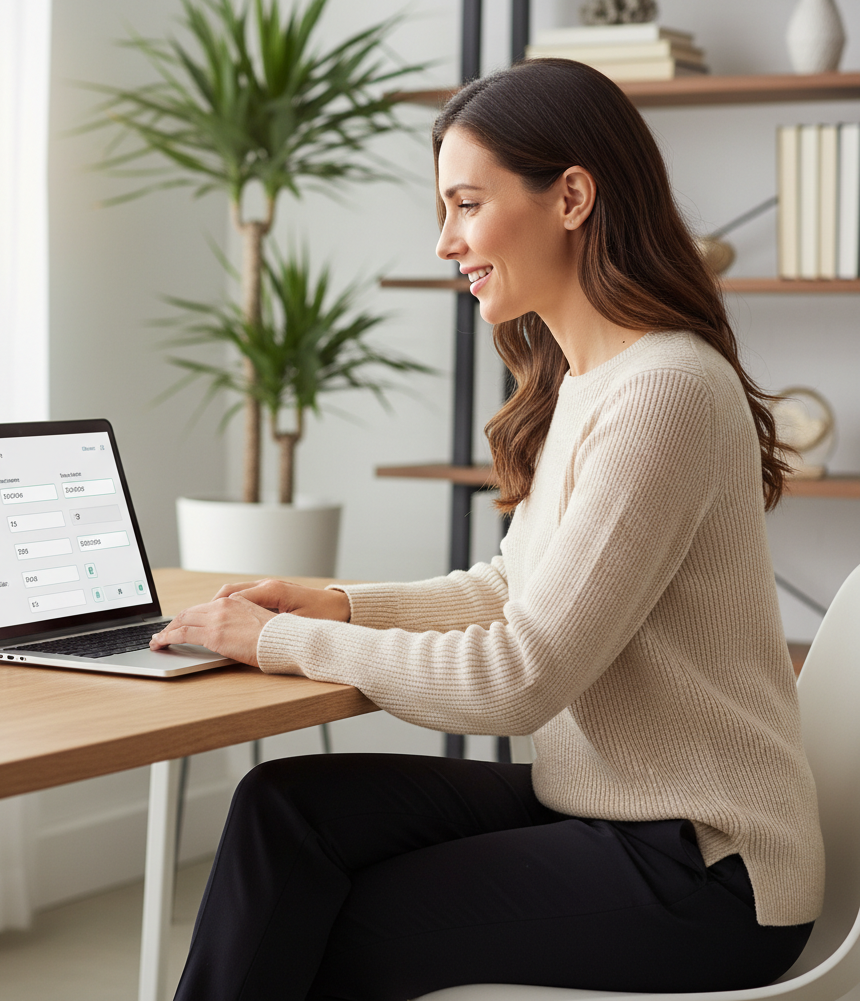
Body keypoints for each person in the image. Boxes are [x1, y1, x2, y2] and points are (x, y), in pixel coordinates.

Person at [150, 58, 824, 1001]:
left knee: (325, 924)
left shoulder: (665, 390)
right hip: (604, 808)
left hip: (705, 867)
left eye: (466, 204)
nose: (444, 242)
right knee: (284, 811)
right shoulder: (589, 379)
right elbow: (509, 593)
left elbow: (519, 678)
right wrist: (337, 601)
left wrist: (281, 642)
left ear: (572, 197)